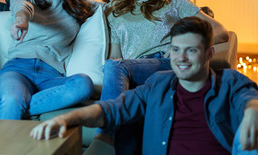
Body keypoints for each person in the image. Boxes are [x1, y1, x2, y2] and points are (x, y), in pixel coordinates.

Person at [78, 0, 229, 153]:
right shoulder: (115, 9)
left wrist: (181, 46)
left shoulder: (173, 1)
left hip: (166, 65)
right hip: (134, 74)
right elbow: (114, 58)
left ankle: (103, 137)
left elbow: (220, 30)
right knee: (128, 110)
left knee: (116, 68)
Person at [31, 16, 258, 155]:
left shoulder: (229, 82)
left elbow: (249, 99)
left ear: (209, 53)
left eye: (191, 50)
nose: (181, 58)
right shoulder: (158, 85)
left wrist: (252, 113)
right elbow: (111, 109)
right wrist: (66, 119)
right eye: (176, 50)